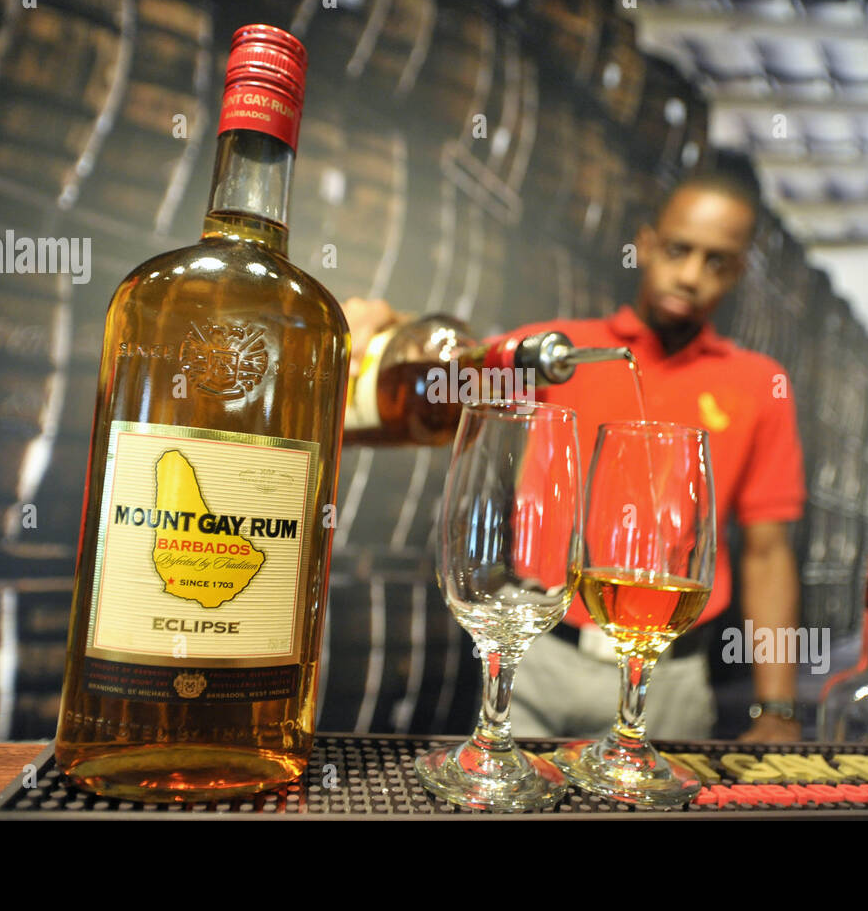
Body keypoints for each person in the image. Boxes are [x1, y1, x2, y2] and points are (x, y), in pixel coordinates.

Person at [343, 151, 805, 742]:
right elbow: (445, 369)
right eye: (677, 249)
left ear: (738, 272)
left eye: (715, 261)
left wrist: (778, 711)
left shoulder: (759, 384)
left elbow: (768, 554)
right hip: (542, 658)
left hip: (672, 679)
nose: (690, 275)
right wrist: (379, 328)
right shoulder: (561, 355)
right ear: (644, 242)